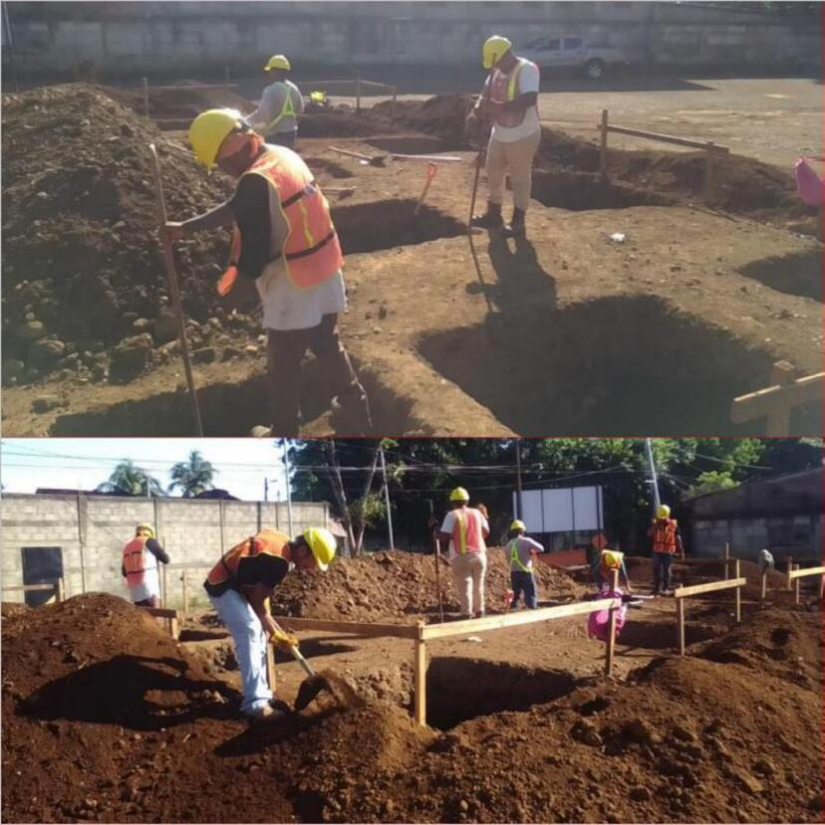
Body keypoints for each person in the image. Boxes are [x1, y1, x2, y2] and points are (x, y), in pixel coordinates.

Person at [166, 108, 371, 436]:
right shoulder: (279, 155)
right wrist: (186, 228)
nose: (222, 170)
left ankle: (285, 431)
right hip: (327, 271)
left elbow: (255, 252)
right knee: (326, 342)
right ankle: (356, 409)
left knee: (283, 363)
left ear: (228, 153)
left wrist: (234, 295)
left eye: (219, 163)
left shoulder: (255, 181)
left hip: (295, 283)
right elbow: (240, 206)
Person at [203, 526, 336, 720]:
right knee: (250, 630)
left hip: (234, 585)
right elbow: (257, 600)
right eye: (313, 562)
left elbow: (260, 594)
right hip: (223, 586)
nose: (312, 568)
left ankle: (262, 695)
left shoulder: (282, 546)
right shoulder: (279, 562)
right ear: (302, 551)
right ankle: (255, 704)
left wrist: (273, 630)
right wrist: (274, 631)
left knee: (258, 632)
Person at [466, 35, 542, 238]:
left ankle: (518, 221)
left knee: (519, 178)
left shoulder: (527, 69)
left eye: (497, 61)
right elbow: (484, 94)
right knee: (493, 171)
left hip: (523, 134)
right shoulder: (496, 71)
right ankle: (494, 214)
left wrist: (498, 108)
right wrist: (476, 111)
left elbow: (529, 98)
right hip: (500, 132)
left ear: (506, 54)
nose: (496, 66)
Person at [438, 487, 490, 619]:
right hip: (479, 554)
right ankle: (480, 611)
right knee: (479, 584)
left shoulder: (452, 515)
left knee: (465, 584)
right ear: (467, 500)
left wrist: (435, 531)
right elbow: (486, 532)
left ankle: (466, 613)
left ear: (453, 502)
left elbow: (445, 536)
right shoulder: (477, 513)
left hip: (460, 555)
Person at [248, 54, 305, 150]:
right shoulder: (294, 88)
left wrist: (246, 120)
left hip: (275, 136)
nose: (269, 74)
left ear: (275, 71)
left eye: (270, 71)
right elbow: (300, 109)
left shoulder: (270, 90)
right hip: (292, 134)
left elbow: (263, 115)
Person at [122, 523, 170, 608]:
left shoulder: (127, 546)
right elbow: (165, 559)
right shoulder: (149, 541)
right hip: (149, 588)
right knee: (153, 617)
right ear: (150, 533)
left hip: (135, 590)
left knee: (141, 617)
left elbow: (124, 572)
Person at [506, 519, 544, 610]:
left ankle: (513, 608)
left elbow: (508, 560)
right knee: (530, 593)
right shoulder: (526, 541)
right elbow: (541, 548)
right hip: (526, 572)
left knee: (515, 594)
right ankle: (532, 608)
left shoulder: (508, 545)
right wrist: (531, 551)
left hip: (514, 573)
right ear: (521, 531)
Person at [648, 504, 684, 596]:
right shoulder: (655, 524)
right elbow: (649, 534)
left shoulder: (673, 525)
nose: (661, 519)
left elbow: (677, 538)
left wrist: (681, 550)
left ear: (667, 515)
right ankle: (657, 588)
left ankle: (665, 588)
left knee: (666, 570)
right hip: (657, 551)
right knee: (656, 569)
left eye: (662, 518)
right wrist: (654, 526)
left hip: (668, 551)